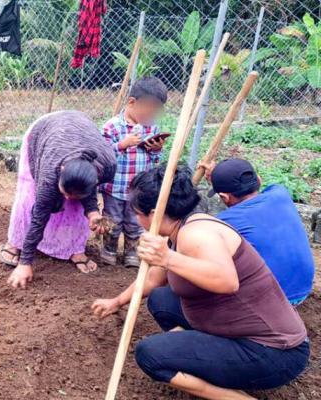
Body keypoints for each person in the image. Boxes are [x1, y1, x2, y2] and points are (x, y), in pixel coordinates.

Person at [91, 165, 309, 400]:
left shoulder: (197, 234)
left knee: (150, 355)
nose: (135, 218)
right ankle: (196, 356)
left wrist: (168, 258)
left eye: (136, 213)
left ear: (154, 213)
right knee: (162, 299)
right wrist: (117, 301)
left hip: (273, 352)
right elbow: (155, 277)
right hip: (241, 331)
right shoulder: (182, 227)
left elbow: (227, 281)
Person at [0, 110, 115, 283]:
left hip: (80, 130)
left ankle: (74, 249)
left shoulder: (108, 165)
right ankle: (16, 243)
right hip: (46, 131)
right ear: (61, 172)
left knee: (75, 207)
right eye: (64, 192)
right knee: (30, 196)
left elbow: (88, 185)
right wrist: (25, 263)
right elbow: (39, 216)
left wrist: (93, 213)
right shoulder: (50, 170)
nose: (67, 198)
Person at [199, 158, 315, 305]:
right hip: (302, 290)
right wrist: (217, 179)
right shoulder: (280, 193)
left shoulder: (223, 223)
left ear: (223, 197)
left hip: (272, 302)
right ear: (258, 180)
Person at [100, 77, 168, 268]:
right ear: (132, 102)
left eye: (155, 111)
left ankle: (132, 252)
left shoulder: (152, 128)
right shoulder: (112, 126)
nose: (150, 114)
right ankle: (109, 249)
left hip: (138, 188)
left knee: (134, 223)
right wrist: (122, 144)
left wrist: (155, 150)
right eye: (148, 108)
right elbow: (103, 155)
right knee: (112, 221)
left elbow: (154, 161)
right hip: (114, 187)